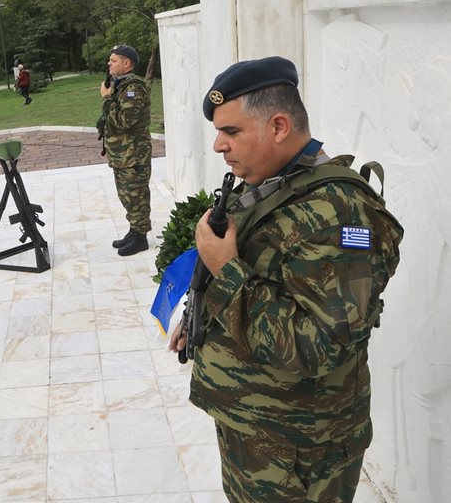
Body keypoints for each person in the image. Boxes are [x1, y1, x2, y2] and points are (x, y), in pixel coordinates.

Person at [167, 56, 404, 503]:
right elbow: (264, 281)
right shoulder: (273, 183)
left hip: (300, 449)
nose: (218, 145)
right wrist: (205, 313)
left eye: (231, 131)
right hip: (255, 428)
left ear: (278, 126)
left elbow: (321, 346)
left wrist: (226, 270)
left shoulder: (342, 215)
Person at [98, 44, 153, 256]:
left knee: (136, 195)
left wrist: (106, 98)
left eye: (114, 61)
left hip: (133, 154)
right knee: (127, 196)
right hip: (123, 154)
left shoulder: (134, 88)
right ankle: (134, 231)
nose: (109, 64)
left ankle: (140, 238)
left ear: (126, 63)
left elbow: (124, 121)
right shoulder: (121, 85)